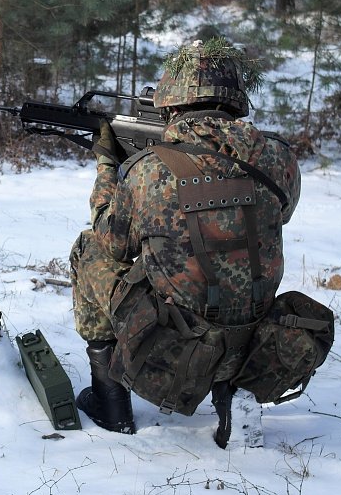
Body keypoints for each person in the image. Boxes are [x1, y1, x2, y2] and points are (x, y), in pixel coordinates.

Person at [68, 28, 301, 437]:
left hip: (175, 347)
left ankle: (110, 400)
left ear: (170, 101)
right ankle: (233, 392)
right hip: (254, 344)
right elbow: (281, 211)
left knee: (90, 251)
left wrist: (108, 164)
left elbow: (113, 242)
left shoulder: (150, 172)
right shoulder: (279, 158)